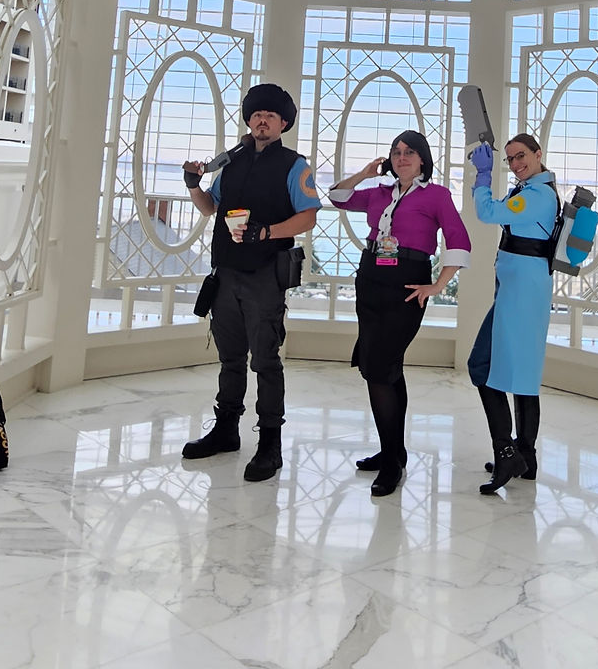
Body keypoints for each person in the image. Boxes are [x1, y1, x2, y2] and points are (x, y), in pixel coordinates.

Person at [180, 83, 320, 481]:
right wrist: (193, 185)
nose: (262, 120)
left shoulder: (295, 165)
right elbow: (211, 208)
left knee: (266, 361)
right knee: (229, 358)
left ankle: (270, 444)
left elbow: (308, 216)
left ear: (283, 123)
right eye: (256, 115)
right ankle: (226, 430)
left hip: (264, 275)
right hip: (225, 273)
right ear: (249, 121)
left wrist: (267, 232)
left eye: (270, 116)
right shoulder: (232, 163)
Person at [329, 130, 471, 497]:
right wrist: (364, 173)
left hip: (406, 284)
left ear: (423, 159)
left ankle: (392, 462)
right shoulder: (378, 193)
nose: (402, 157)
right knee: (388, 369)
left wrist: (438, 286)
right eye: (396, 152)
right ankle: (394, 449)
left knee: (378, 368)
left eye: (410, 152)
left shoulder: (437, 195)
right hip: (371, 280)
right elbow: (337, 198)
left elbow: (458, 239)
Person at [467, 133, 559, 494]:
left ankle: (506, 451)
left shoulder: (538, 195)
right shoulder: (531, 191)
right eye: (510, 159)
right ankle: (525, 456)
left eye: (521, 156)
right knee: (522, 372)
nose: (516, 163)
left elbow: (488, 212)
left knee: (481, 366)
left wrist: (483, 178)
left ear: (538, 155)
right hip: (521, 289)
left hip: (521, 293)